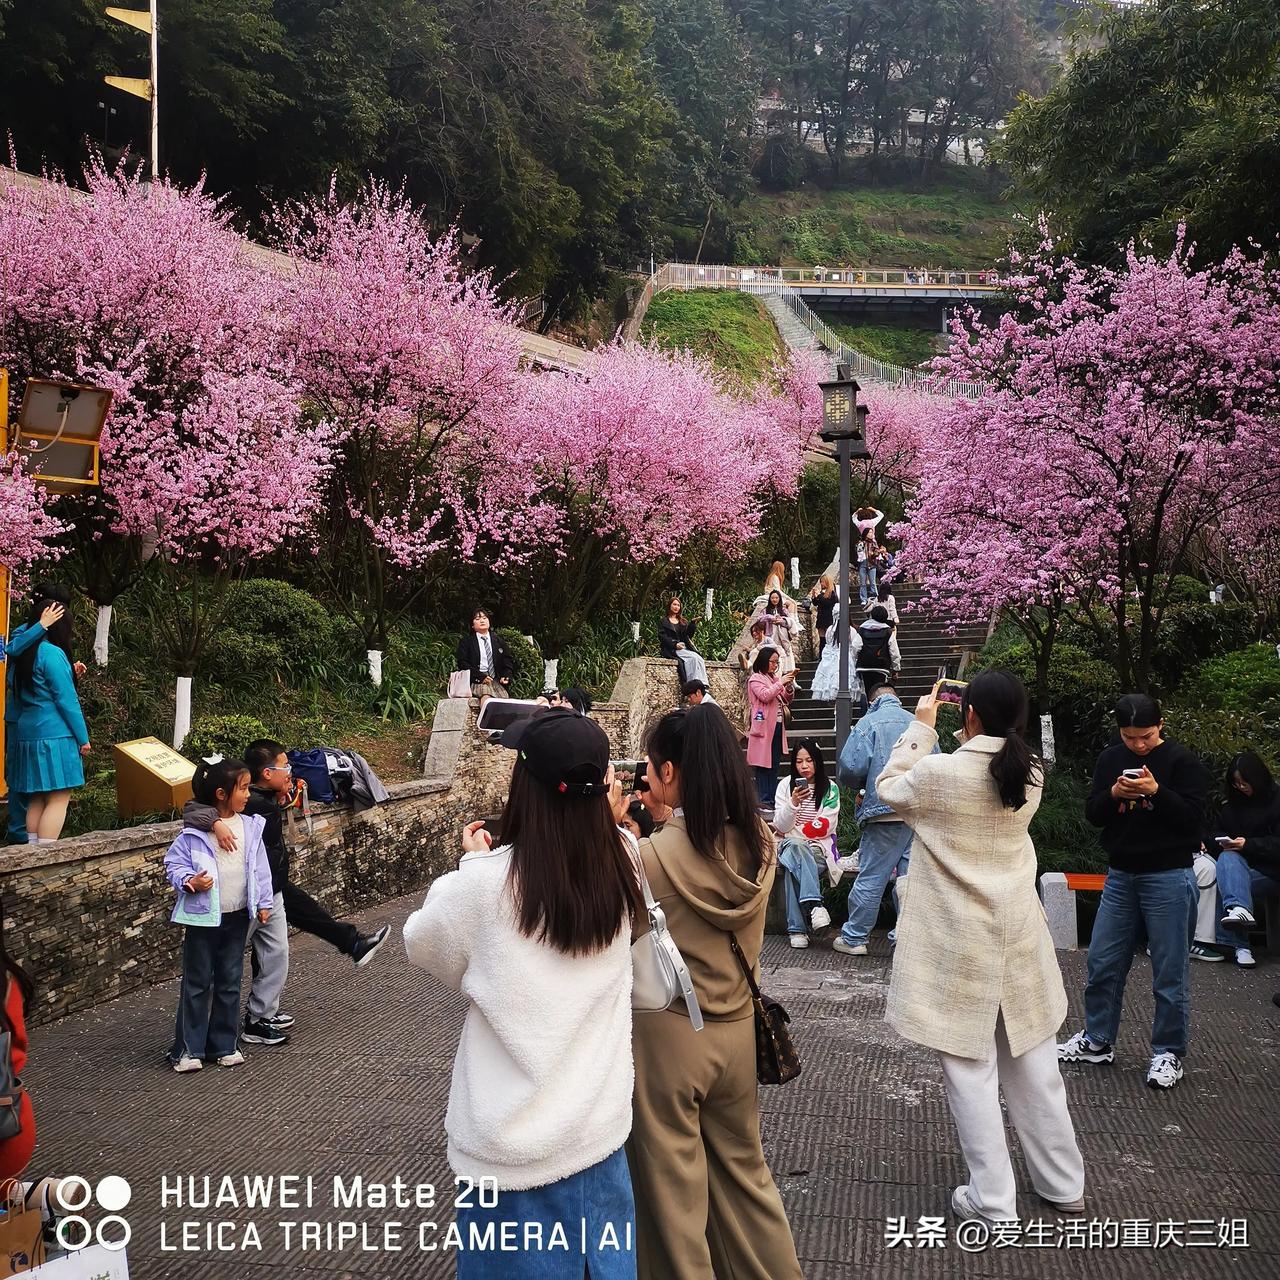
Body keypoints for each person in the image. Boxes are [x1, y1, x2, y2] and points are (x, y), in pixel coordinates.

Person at [403, 709, 642, 1279]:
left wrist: (472, 860)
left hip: (512, 1158)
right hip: (599, 1137)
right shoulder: (625, 861)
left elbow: (423, 944)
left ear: (524, 787)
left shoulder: (484, 886)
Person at [876, 671, 1086, 1223]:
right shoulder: (1031, 774)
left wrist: (920, 729)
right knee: (1035, 1064)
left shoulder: (941, 773)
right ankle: (1063, 1183)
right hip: (1017, 938)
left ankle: (993, 1200)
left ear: (967, 715)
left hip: (959, 945)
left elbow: (888, 788)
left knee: (970, 1070)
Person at [627, 704, 802, 1280]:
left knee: (673, 1205)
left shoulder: (647, 860)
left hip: (671, 1043)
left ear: (671, 772)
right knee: (748, 1183)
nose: (646, 780)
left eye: (651, 769)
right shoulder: (760, 845)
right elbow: (705, 849)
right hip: (737, 1035)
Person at [1059, 695, 1208, 1090]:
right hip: (1121, 875)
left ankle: (1168, 1052)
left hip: (1170, 874)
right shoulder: (1110, 759)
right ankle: (1097, 1040)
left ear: (1161, 725)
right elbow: (1093, 815)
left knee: (1169, 971)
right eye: (1129, 737)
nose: (1138, 744)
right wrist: (1112, 796)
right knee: (1103, 962)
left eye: (1145, 736)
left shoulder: (1182, 762)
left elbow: (1195, 821)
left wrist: (1156, 791)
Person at [185, 738, 390, 984]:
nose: (291, 772)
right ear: (267, 773)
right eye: (286, 767)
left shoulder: (263, 799)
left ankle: (261, 1014)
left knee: (276, 951)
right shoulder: (248, 802)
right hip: (249, 892)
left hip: (272, 885)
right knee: (231, 959)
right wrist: (216, 823)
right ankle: (213, 1015)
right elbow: (193, 808)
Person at [164, 757, 274, 1072]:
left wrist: (264, 902)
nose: (248, 795)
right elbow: (173, 864)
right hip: (202, 918)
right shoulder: (193, 833)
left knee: (229, 980)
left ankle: (224, 1045)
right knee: (197, 982)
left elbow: (260, 868)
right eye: (242, 788)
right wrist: (190, 882)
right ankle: (187, 1050)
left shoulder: (251, 827)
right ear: (222, 794)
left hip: (238, 916)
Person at [833, 680, 926, 957]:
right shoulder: (916, 724)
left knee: (872, 876)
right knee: (909, 879)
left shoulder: (868, 723)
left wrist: (864, 782)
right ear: (896, 699)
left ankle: (855, 937)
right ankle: (905, 937)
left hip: (882, 811)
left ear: (872, 701)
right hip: (914, 813)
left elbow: (849, 767)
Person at [5, 586, 90, 844]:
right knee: (58, 797)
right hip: (54, 735)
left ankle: (30, 851)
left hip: (28, 729)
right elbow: (66, 701)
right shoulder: (50, 651)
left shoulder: (29, 653)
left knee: (38, 796)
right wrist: (83, 737)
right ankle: (45, 856)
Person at [1213, 751, 1280, 969]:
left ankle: (1239, 946)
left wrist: (1247, 844)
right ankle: (1238, 913)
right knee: (1228, 857)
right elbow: (1216, 832)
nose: (1241, 787)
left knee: (1229, 882)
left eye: (1244, 783)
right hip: (1242, 867)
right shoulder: (1233, 806)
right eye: (1236, 783)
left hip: (1272, 871)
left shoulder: (1276, 801)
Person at [773, 739, 839, 948]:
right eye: (799, 761)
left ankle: (797, 930)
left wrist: (793, 834)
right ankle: (815, 905)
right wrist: (793, 803)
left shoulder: (830, 788)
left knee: (795, 865)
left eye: (809, 760)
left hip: (819, 850)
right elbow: (780, 825)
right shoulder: (785, 786)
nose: (804, 766)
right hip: (789, 847)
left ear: (817, 761)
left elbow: (826, 825)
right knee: (795, 848)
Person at [747, 648, 795, 808]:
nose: (776, 665)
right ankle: (764, 800)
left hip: (776, 725)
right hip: (763, 726)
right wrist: (780, 683)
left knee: (773, 764)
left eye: (777, 662)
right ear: (764, 661)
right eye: (773, 661)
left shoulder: (773, 678)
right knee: (762, 765)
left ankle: (772, 799)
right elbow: (765, 695)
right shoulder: (755, 679)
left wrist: (788, 687)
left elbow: (785, 699)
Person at [455, 609, 516, 702]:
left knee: (504, 700)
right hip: (477, 680)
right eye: (477, 619)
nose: (482, 620)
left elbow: (507, 661)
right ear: (472, 625)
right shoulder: (467, 642)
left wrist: (506, 676)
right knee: (486, 698)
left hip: (495, 680)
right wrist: (480, 676)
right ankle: (485, 716)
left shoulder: (498, 641)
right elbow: (462, 662)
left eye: (484, 618)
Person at [852, 605, 901, 697]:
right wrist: (896, 669)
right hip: (882, 666)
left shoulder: (862, 630)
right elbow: (894, 652)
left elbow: (855, 647)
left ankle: (866, 708)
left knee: (866, 691)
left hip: (864, 666)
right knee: (879, 692)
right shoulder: (888, 632)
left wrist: (855, 660)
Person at [659, 597, 709, 688]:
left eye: (678, 605)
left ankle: (703, 683)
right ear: (669, 606)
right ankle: (693, 683)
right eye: (674, 604)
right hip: (672, 649)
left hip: (684, 648)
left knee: (699, 659)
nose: (676, 607)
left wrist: (692, 624)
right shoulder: (664, 621)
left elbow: (687, 635)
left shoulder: (682, 621)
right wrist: (674, 645)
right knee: (693, 658)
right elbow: (662, 637)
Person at [755, 590, 799, 675]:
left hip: (783, 636)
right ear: (770, 599)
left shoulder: (784, 610)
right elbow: (759, 620)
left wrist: (782, 621)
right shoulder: (765, 610)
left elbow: (790, 622)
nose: (774, 599)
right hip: (771, 636)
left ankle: (791, 678)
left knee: (787, 655)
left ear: (779, 598)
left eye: (776, 597)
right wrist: (769, 617)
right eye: (772, 598)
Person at [809, 574, 838, 656]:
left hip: (828, 618)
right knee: (822, 639)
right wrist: (814, 597)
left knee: (829, 638)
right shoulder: (822, 593)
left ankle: (829, 654)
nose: (821, 584)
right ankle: (821, 655)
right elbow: (816, 603)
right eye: (821, 582)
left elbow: (827, 603)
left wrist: (819, 596)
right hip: (821, 617)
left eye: (823, 582)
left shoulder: (832, 593)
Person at [856, 531, 879, 607]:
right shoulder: (861, 542)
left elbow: (877, 552)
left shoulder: (873, 543)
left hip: (871, 564)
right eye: (869, 533)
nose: (871, 534)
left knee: (872, 582)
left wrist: (873, 554)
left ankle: (875, 597)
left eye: (872, 533)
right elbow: (858, 552)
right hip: (862, 563)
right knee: (863, 583)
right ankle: (864, 599)